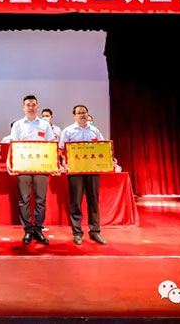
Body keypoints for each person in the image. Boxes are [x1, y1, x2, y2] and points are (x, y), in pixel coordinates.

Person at [7, 94, 56, 245]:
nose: (31, 107)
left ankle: (39, 230)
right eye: (28, 105)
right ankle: (28, 230)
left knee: (41, 200)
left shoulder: (45, 125)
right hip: (23, 167)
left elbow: (51, 144)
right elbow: (13, 145)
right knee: (24, 200)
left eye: (33, 105)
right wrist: (9, 162)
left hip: (41, 167)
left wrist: (54, 164)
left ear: (38, 107)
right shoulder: (18, 125)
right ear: (23, 107)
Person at [59, 104, 107, 246]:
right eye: (79, 113)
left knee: (93, 201)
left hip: (92, 170)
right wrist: (64, 161)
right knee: (76, 202)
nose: (82, 115)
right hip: (75, 171)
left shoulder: (95, 130)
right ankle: (77, 233)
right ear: (74, 116)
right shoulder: (68, 131)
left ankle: (95, 231)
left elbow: (103, 147)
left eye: (84, 112)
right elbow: (61, 150)